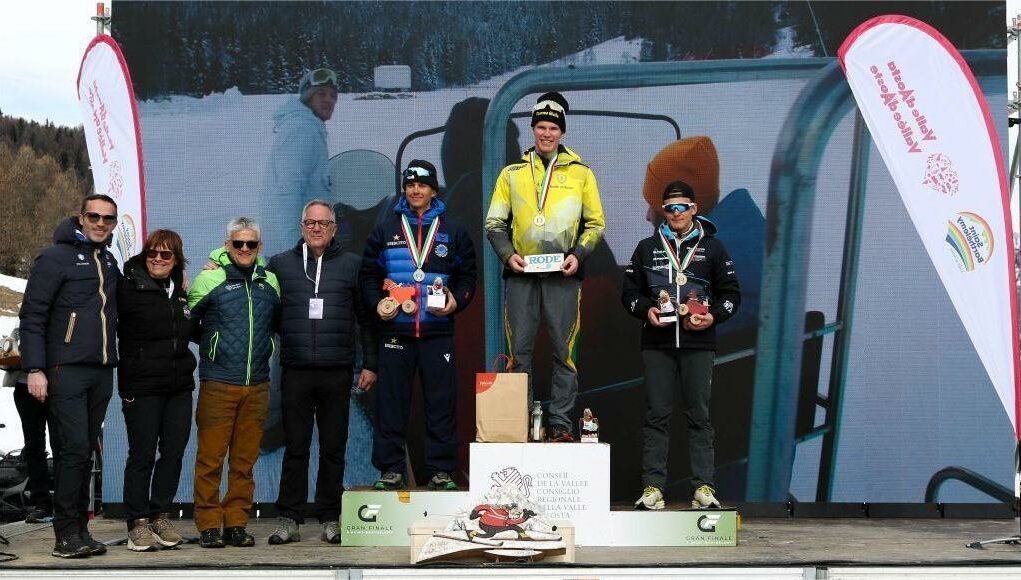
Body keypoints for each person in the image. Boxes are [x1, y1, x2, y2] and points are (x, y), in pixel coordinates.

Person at [484, 91, 605, 442]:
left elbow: (595, 225)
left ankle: (562, 426)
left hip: (562, 275)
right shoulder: (512, 174)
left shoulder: (582, 174)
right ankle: (519, 424)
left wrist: (578, 255)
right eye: (540, 127)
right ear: (532, 131)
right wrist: (509, 255)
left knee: (564, 352)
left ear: (562, 133)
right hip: (522, 274)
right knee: (518, 352)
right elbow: (494, 223)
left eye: (553, 127)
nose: (546, 134)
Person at [621, 180, 741, 510]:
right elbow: (628, 294)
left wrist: (713, 317)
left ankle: (703, 487)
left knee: (699, 416)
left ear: (694, 209)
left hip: (698, 344)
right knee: (656, 415)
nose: (676, 213)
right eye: (670, 208)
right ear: (663, 211)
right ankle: (652, 488)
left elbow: (732, 295)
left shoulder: (714, 248)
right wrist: (646, 310)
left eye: (682, 207)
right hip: (657, 343)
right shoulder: (647, 248)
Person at [265, 200, 378, 546]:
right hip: (296, 371)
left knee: (333, 448)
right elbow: (266, 314)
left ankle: (330, 516)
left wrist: (371, 364)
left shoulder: (352, 265)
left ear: (333, 229)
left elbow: (366, 321)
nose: (316, 228)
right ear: (302, 227)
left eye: (323, 223)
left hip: (336, 371)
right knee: (295, 447)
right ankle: (289, 518)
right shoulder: (280, 265)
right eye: (310, 223)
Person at [361, 160, 477, 490]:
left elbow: (468, 276)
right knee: (391, 404)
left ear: (433, 190)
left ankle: (441, 471)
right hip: (396, 332)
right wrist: (376, 304)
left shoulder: (452, 231)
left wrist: (457, 300)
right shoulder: (386, 229)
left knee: (440, 403)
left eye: (422, 185)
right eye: (410, 184)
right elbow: (369, 277)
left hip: (436, 332)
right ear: (404, 188)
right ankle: (391, 470)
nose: (415, 190)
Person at [19, 194, 120, 558]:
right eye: (94, 216)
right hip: (65, 369)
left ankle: (80, 530)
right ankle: (64, 534)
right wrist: (35, 368)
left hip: (101, 371)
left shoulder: (108, 260)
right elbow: (32, 315)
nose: (101, 223)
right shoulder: (54, 257)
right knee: (72, 449)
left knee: (83, 452)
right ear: (81, 217)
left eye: (108, 219)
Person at [188, 218, 280, 548]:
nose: (244, 249)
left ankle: (237, 522)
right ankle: (209, 523)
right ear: (227, 245)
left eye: (250, 244)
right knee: (210, 459)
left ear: (259, 247)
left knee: (244, 462)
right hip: (218, 383)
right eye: (238, 244)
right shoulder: (209, 278)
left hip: (257, 385)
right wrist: (214, 344)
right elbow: (187, 324)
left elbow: (277, 324)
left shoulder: (270, 281)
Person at [117, 230, 196, 551]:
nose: (158, 259)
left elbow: (193, 330)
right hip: (142, 386)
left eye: (166, 255)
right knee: (142, 455)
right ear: (144, 254)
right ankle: (137, 522)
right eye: (153, 253)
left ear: (176, 259)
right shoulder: (127, 286)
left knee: (173, 454)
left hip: (179, 387)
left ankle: (160, 515)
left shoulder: (180, 291)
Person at [260, 67, 339, 258]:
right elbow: (288, 191)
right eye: (321, 94)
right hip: (291, 249)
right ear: (308, 98)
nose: (329, 100)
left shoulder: (309, 127)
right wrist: (294, 250)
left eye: (333, 95)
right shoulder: (301, 130)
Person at [9, 367, 57, 524]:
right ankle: (42, 504)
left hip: (63, 384)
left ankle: (66, 504)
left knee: (63, 445)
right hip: (25, 383)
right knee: (33, 446)